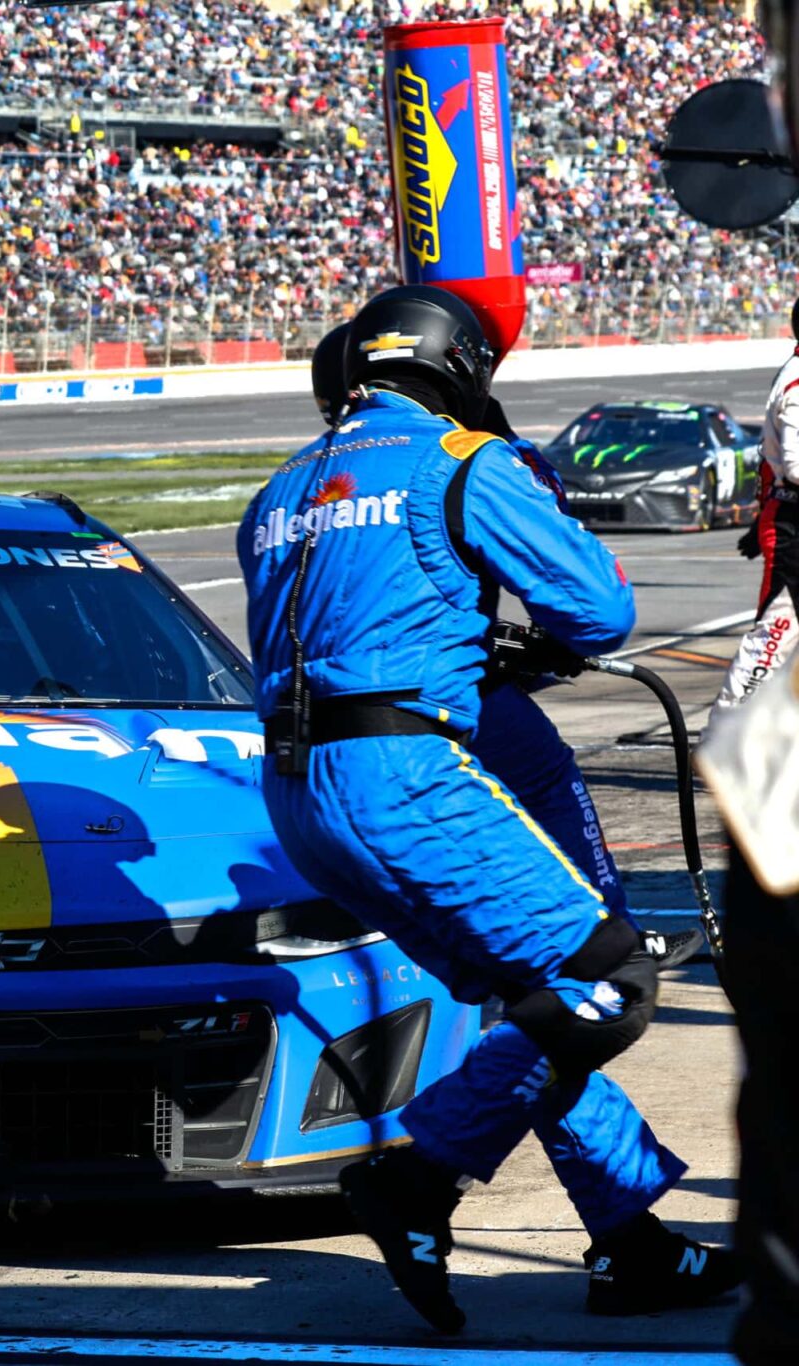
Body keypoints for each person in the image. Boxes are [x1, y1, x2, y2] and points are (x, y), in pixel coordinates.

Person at [244, 285, 737, 1333]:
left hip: (296, 792)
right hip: (407, 772)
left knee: (542, 1012)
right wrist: (517, 644)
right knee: (605, 981)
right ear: (457, 367)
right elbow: (598, 609)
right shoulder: (460, 459)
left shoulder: (281, 489)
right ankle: (419, 1178)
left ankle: (631, 1240)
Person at [304, 327, 699, 968]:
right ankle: (611, 940)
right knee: (543, 773)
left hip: (306, 724)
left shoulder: (303, 475)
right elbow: (577, 581)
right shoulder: (461, 447)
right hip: (422, 702)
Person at [716, 298, 799, 710]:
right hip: (793, 527)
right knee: (773, 636)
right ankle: (727, 731)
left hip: (784, 515)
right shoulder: (798, 383)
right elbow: (795, 466)